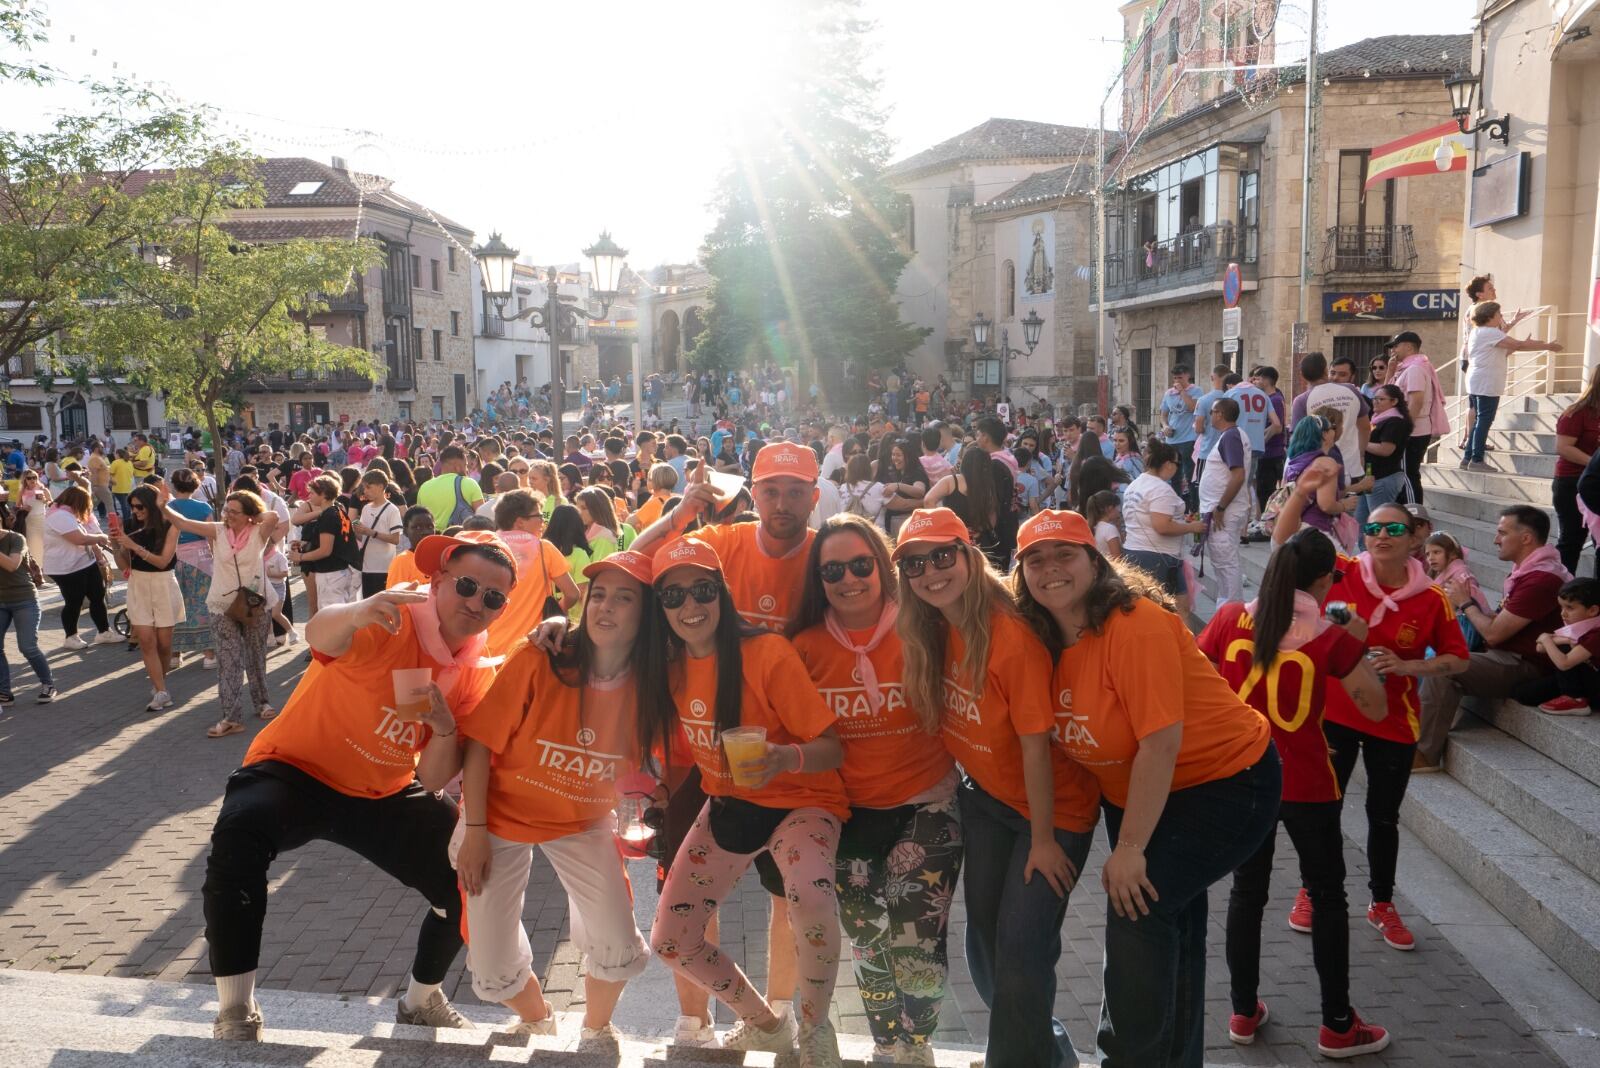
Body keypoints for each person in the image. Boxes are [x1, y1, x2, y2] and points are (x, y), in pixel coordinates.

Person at [201, 531, 513, 1041]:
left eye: (493, 597)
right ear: (438, 582)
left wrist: (443, 728)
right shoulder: (394, 615)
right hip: (297, 769)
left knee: (469, 875)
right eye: (467, 586)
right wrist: (358, 609)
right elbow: (319, 636)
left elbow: (433, 778)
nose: (477, 602)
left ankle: (421, 999)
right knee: (239, 834)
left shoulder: (476, 667)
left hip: (382, 792)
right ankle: (235, 1011)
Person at [1015, 508, 1278, 1068]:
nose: (1050, 569)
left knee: (1135, 908)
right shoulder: (1038, 639)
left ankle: (1126, 1060)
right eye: (1035, 559)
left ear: (1095, 560)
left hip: (1227, 782)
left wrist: (1130, 849)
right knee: (1171, 923)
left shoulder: (1136, 624)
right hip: (1138, 790)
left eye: (1065, 553)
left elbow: (1159, 744)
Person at [892, 508, 1098, 1068]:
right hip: (985, 801)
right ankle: (1047, 1052)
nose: (930, 572)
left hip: (1053, 814)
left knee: (1021, 950)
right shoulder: (930, 626)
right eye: (914, 563)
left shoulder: (1010, 637)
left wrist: (1045, 840)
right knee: (983, 942)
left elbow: (1036, 747)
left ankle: (1013, 1058)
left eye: (942, 555)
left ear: (968, 555)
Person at [452, 549, 672, 1044]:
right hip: (499, 817)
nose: (604, 607)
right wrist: (474, 831)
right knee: (488, 961)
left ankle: (595, 1032)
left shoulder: (655, 680)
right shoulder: (541, 656)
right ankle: (537, 1019)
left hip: (584, 821)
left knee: (617, 940)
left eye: (623, 598)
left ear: (647, 614)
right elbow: (481, 745)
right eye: (597, 595)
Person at [642, 539, 848, 1064]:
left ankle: (815, 1026)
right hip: (730, 805)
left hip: (802, 801)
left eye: (703, 590)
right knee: (670, 940)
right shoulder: (668, 667)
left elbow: (830, 748)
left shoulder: (766, 652)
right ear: (660, 608)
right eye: (673, 596)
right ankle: (765, 1024)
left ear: (723, 594)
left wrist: (782, 758)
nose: (690, 607)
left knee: (813, 900)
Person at [1198, 529, 1392, 1057]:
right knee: (1327, 896)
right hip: (1306, 781)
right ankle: (1336, 1023)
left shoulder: (1230, 616)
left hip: (1242, 777)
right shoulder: (1330, 637)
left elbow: (1194, 676)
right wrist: (1357, 638)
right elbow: (1375, 707)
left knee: (1246, 893)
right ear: (1326, 579)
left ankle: (1242, 1010)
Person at [788, 514, 962, 1064]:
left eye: (861, 564)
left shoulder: (927, 624)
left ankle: (918, 1045)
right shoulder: (805, 647)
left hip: (927, 803)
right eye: (832, 569)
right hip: (850, 815)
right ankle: (890, 1046)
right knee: (868, 942)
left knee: (919, 945)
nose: (848, 579)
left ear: (883, 566)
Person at [1316, 504, 1468, 951]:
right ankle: (1313, 891)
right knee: (1324, 809)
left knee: (1383, 817)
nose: (1382, 535)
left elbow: (1458, 658)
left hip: (1393, 722)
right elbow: (1312, 597)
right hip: (1335, 715)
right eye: (1373, 528)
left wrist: (1407, 664)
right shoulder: (1341, 572)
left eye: (1394, 528)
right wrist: (1354, 629)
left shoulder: (1432, 598)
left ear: (1415, 537)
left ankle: (1381, 903)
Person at [1418, 505, 1567, 768]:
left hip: (1525, 664)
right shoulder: (1530, 570)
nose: (1495, 539)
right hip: (1506, 656)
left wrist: (1465, 602)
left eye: (1502, 532)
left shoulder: (1542, 578)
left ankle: (1424, 754)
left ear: (1526, 538)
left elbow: (1494, 634)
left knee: (1443, 667)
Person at [164, 490, 283, 737]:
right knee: (228, 661)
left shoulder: (258, 531)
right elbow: (183, 523)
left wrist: (252, 516)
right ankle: (231, 717)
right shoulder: (217, 530)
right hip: (222, 603)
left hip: (254, 603)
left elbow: (272, 516)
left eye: (233, 511)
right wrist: (163, 505)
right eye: (225, 510)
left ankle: (262, 703)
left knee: (256, 655)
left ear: (249, 515)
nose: (227, 515)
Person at [1462, 301, 1562, 471]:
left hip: (1478, 380)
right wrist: (1547, 346)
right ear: (1489, 317)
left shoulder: (1480, 332)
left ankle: (1467, 458)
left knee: (1480, 420)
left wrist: (1526, 341)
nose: (1501, 317)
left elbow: (1506, 350)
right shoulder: (1489, 332)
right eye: (1499, 314)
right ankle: (1476, 460)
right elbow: (1518, 344)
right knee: (1484, 420)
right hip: (1487, 382)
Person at [112, 485, 183, 711]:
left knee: (164, 645)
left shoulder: (170, 525)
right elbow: (125, 567)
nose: (135, 511)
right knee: (146, 641)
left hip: (163, 583)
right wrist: (116, 545)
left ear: (151, 505)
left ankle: (160, 683)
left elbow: (163, 562)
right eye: (131, 507)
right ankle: (161, 691)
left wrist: (134, 546)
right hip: (138, 583)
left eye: (139, 506)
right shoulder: (131, 525)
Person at [1120, 439, 1206, 610]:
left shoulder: (1135, 485)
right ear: (1168, 464)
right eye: (1177, 464)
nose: (1177, 469)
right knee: (1179, 609)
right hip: (1159, 557)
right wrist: (1192, 527)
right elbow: (1162, 526)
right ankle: (1181, 637)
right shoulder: (1160, 489)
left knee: (1147, 609)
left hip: (1135, 552)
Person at [43, 486, 117, 650]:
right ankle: (71, 637)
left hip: (84, 562)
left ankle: (104, 632)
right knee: (74, 601)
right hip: (66, 567)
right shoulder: (60, 515)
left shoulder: (67, 513)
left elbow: (85, 534)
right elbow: (79, 538)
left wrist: (99, 557)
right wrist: (101, 537)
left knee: (98, 595)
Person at [1198, 397, 1251, 604]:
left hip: (1225, 512)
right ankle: (1229, 609)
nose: (1210, 415)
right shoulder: (1231, 436)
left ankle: (1230, 612)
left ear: (1219, 414)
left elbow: (1238, 474)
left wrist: (1220, 507)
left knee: (1225, 563)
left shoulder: (1231, 437)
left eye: (1212, 412)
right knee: (1225, 562)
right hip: (1225, 510)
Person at [1387, 332, 1449, 502]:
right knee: (1403, 473)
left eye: (1396, 346)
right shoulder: (1407, 369)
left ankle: (1414, 514)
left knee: (1407, 474)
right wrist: (1390, 372)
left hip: (1414, 431)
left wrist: (1406, 429)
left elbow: (1416, 401)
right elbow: (1385, 394)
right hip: (1411, 429)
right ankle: (1407, 512)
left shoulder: (1415, 369)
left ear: (1408, 346)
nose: (1393, 351)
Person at [1291, 352, 1370, 487]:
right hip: (1353, 467)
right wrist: (1361, 454)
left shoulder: (1301, 401)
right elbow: (1365, 427)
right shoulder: (1352, 391)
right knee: (1351, 505)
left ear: (1302, 376)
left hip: (1321, 469)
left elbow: (1298, 440)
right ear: (1325, 370)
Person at [0, 511, 55, 703]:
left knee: (27, 646)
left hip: (24, 599)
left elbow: (12, 565)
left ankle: (48, 683)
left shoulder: (16, 538)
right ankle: (4, 691)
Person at [291, 475, 362, 613]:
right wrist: (306, 543)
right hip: (341, 572)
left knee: (333, 619)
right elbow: (337, 542)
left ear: (323, 495)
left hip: (332, 574)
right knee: (341, 617)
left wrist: (299, 557)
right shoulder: (338, 511)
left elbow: (325, 550)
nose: (309, 496)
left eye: (312, 492)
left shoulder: (328, 515)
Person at [1553, 366, 1600, 574]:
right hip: (1572, 483)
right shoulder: (1577, 412)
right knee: (1570, 542)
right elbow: (1563, 448)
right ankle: (1562, 597)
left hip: (1595, 483)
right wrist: (1595, 464)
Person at [1359, 385, 1414, 535]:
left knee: (1378, 526)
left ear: (1394, 401)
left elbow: (1385, 450)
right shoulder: (1377, 419)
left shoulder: (1395, 422)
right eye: (1374, 398)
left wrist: (1362, 443)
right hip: (1371, 478)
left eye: (1381, 399)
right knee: (1362, 522)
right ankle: (1366, 557)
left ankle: (1379, 557)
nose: (1375, 402)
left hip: (1383, 479)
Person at [354, 470, 405, 599]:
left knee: (383, 607)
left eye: (368, 487)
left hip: (384, 568)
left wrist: (370, 532)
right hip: (366, 568)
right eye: (363, 487)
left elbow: (396, 539)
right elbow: (365, 537)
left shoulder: (392, 510)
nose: (365, 491)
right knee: (368, 606)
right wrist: (356, 531)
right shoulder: (366, 508)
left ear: (381, 487)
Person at [1159, 366, 1202, 501]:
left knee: (1190, 475)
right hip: (1172, 440)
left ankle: (1193, 507)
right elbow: (1163, 414)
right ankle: (1176, 504)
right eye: (1175, 378)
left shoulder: (1196, 390)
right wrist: (1165, 426)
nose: (1177, 380)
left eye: (1180, 377)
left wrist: (1182, 391)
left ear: (1188, 376)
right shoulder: (1168, 394)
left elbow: (1192, 407)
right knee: (1173, 476)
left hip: (1189, 439)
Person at [416, 445, 484, 531]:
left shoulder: (424, 487)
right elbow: (482, 517)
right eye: (465, 465)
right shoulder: (469, 483)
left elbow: (419, 517)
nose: (467, 469)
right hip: (460, 540)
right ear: (457, 466)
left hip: (433, 540)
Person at [1252, 365, 1288, 513]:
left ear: (1266, 380)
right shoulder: (1274, 397)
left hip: (1271, 453)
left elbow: (1277, 427)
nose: (1255, 381)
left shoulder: (1273, 399)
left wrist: (1259, 440)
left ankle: (1265, 522)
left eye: (1258, 378)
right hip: (1272, 452)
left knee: (1265, 491)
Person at [386, 507, 435, 588]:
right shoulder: (402, 561)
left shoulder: (440, 558)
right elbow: (394, 597)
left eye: (430, 527)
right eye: (418, 527)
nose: (425, 532)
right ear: (405, 531)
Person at [1085, 489, 1123, 559]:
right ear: (1110, 508)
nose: (1119, 511)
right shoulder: (1110, 529)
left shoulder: (1093, 526)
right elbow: (1118, 559)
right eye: (1117, 507)